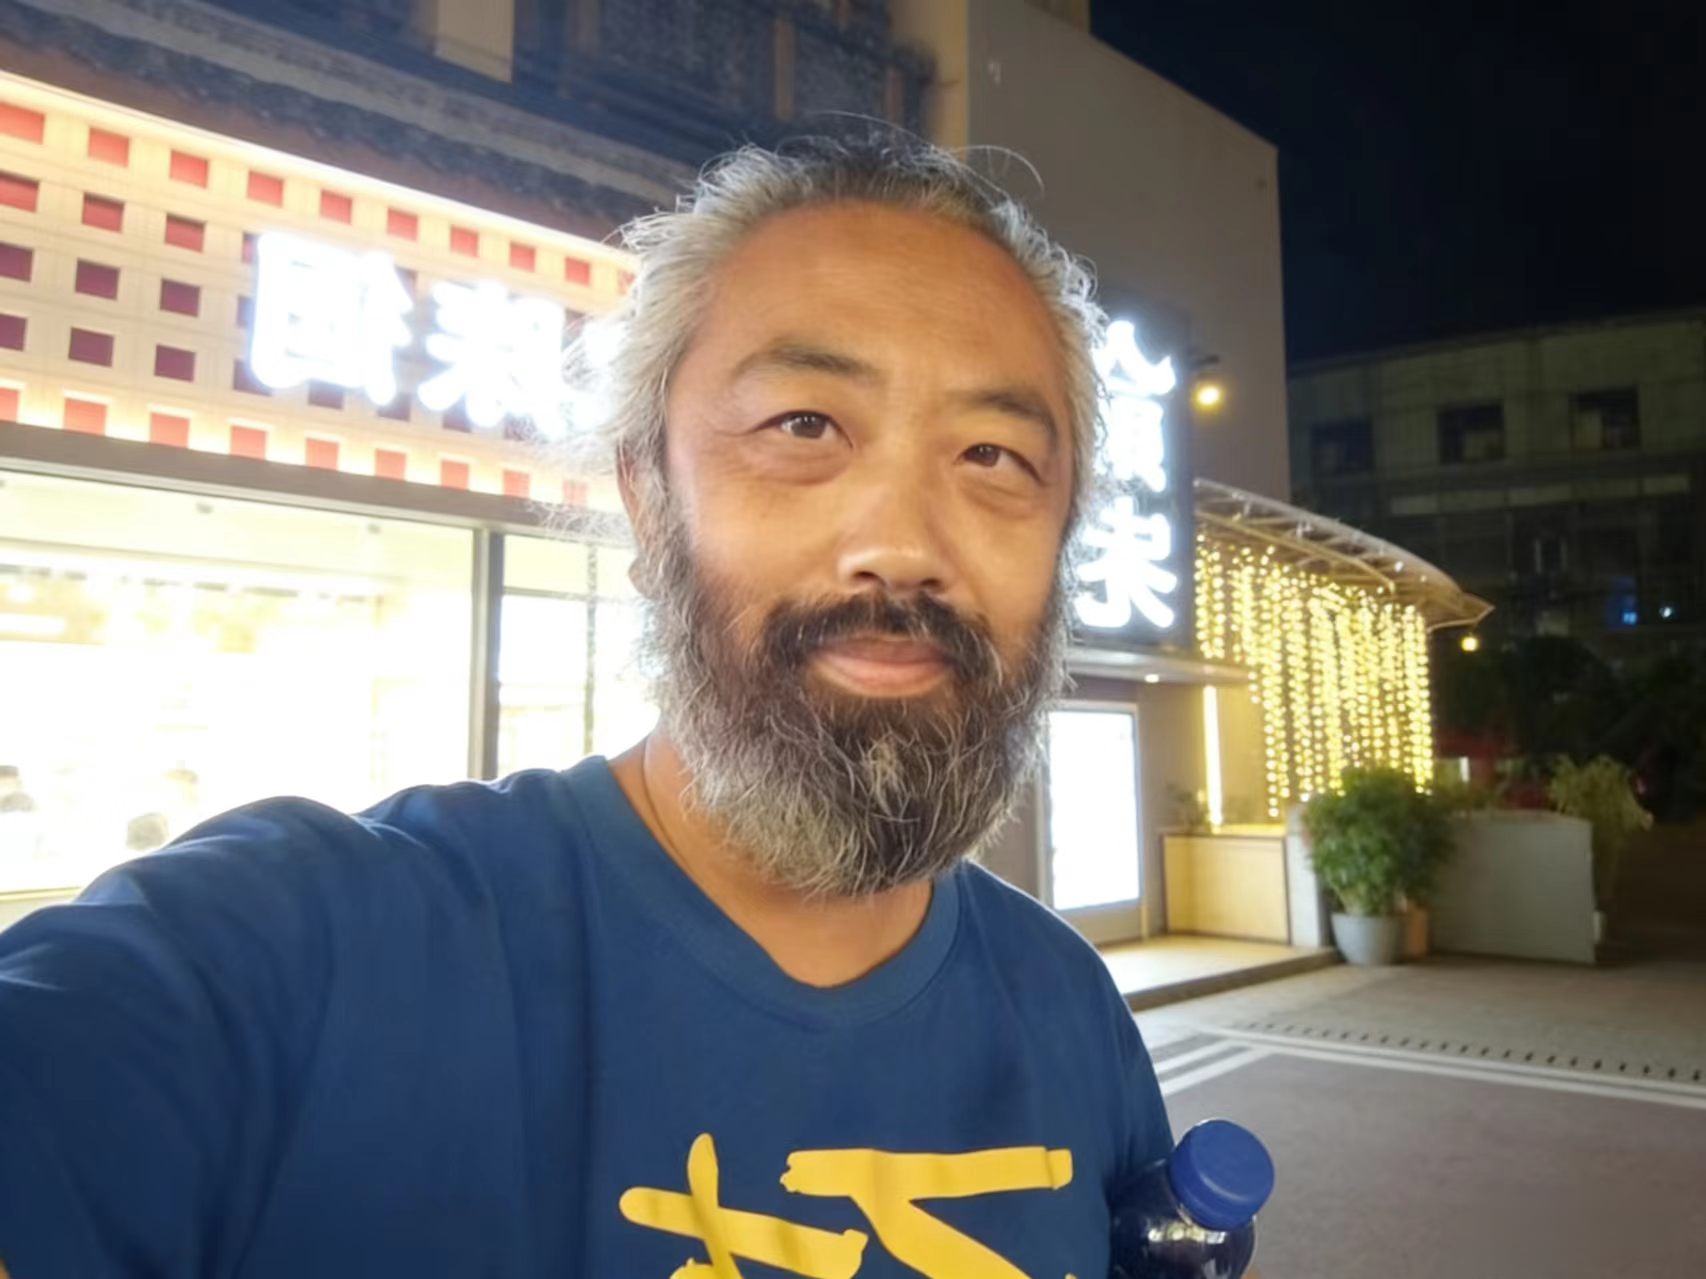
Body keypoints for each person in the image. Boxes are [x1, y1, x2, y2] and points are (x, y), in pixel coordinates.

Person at [0, 134, 1171, 1279]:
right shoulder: (299, 948)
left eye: (992, 455)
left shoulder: (1069, 1008)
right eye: (803, 426)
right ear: (648, 495)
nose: (903, 545)